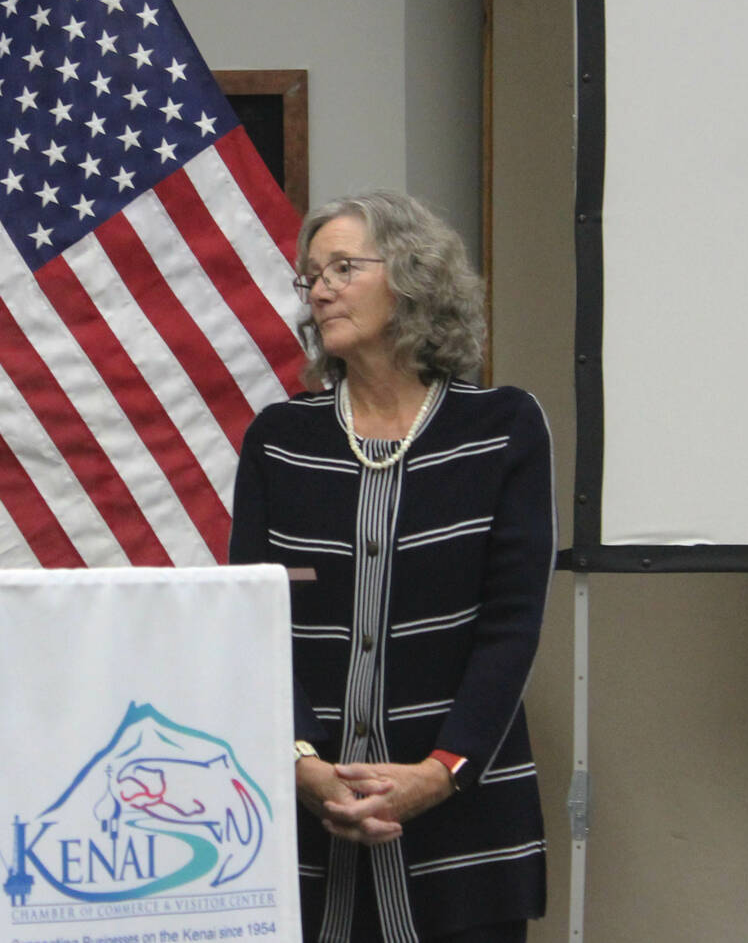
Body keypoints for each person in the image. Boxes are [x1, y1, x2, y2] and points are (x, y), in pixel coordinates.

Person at [229, 191, 554, 943]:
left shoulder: (502, 429)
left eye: (344, 266)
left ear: (411, 278)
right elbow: (254, 623)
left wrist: (438, 773)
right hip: (312, 827)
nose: (319, 289)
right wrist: (304, 766)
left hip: (463, 826)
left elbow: (511, 628)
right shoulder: (280, 439)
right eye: (311, 274)